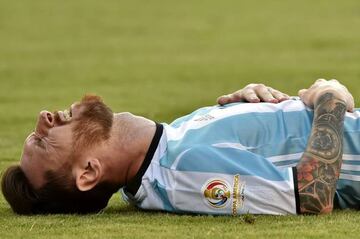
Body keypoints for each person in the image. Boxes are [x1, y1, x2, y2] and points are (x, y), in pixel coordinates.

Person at [1, 79, 356, 215]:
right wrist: (330, 101)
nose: (44, 117)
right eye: (43, 141)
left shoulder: (162, 149)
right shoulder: (180, 170)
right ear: (89, 172)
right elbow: (312, 195)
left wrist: (253, 108)